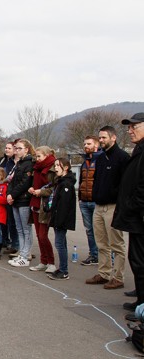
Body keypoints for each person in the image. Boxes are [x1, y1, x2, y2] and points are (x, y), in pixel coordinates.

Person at [85, 126, 129, 290]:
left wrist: (121, 205)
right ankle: (104, 273)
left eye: (104, 137)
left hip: (113, 206)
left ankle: (118, 277)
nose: (101, 140)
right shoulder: (101, 158)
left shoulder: (123, 158)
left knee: (116, 244)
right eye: (100, 138)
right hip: (99, 206)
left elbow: (126, 184)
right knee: (101, 243)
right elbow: (96, 180)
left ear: (113, 137)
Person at [113, 113, 144, 315]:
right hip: (135, 216)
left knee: (140, 260)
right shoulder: (138, 150)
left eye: (135, 126)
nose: (130, 130)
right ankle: (141, 298)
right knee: (137, 259)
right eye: (129, 127)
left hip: (140, 216)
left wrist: (131, 205)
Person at [28, 146, 57, 274]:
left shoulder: (53, 168)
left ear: (46, 155)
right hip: (36, 202)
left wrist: (41, 191)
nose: (37, 159)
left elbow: (54, 188)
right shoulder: (36, 168)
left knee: (43, 235)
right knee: (39, 236)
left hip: (46, 205)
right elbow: (35, 184)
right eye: (36, 156)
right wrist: (32, 189)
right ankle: (43, 261)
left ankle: (51, 262)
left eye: (39, 156)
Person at [47, 158, 77, 280]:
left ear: (65, 167)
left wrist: (59, 221)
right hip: (57, 217)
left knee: (59, 244)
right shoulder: (61, 182)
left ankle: (64, 271)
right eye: (54, 166)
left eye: (57, 166)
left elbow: (64, 205)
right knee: (61, 243)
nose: (55, 168)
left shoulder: (66, 184)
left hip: (61, 219)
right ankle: (62, 268)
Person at [7, 139, 35, 267]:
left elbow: (25, 182)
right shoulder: (18, 164)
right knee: (19, 228)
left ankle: (25, 254)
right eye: (16, 148)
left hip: (24, 200)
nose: (17, 151)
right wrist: (9, 194)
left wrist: (13, 194)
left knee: (26, 228)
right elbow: (12, 181)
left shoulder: (29, 164)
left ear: (26, 149)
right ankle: (22, 253)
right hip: (16, 200)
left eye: (19, 148)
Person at [78, 135, 101, 265]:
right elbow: (81, 181)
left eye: (89, 144)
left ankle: (108, 258)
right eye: (85, 144)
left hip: (96, 201)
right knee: (89, 230)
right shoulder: (84, 162)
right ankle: (94, 255)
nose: (86, 146)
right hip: (85, 201)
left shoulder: (101, 160)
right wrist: (80, 199)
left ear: (96, 145)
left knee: (101, 231)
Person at [0, 141, 18, 254]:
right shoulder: (6, 162)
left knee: (16, 223)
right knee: (9, 221)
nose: (6, 150)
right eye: (6, 148)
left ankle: (17, 246)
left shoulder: (18, 163)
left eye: (9, 148)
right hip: (6, 193)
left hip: (15, 194)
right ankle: (11, 243)